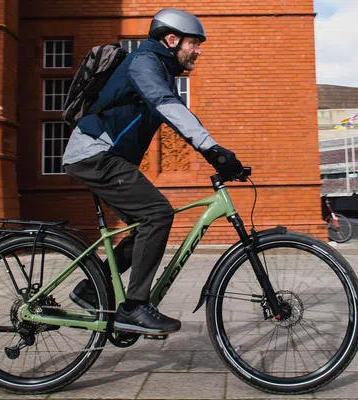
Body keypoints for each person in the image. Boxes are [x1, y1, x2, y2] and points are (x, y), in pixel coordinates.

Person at [60, 8, 243, 335]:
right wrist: (213, 150)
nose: (198, 50)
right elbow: (166, 104)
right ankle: (135, 306)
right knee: (157, 214)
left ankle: (91, 290)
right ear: (172, 40)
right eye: (194, 43)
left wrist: (218, 155)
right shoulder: (144, 63)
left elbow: (171, 113)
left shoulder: (159, 68)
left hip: (103, 157)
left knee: (145, 223)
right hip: (94, 155)